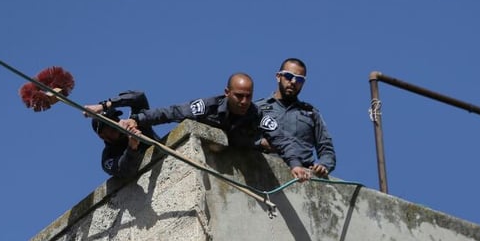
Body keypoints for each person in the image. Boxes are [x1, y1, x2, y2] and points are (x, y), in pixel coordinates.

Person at [124, 73, 274, 151]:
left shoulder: (255, 113)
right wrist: (138, 119)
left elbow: (282, 138)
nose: (244, 101)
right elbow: (173, 112)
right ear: (227, 92)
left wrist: (295, 163)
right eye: (239, 96)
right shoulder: (209, 106)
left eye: (248, 96)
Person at [256, 58, 336, 182]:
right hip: (265, 173)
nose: (293, 82)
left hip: (303, 179)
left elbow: (326, 148)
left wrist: (324, 165)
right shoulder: (258, 108)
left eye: (299, 79)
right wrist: (260, 142)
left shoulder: (310, 113)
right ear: (278, 76)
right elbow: (245, 137)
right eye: (288, 76)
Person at [82, 91, 161, 179]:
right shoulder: (108, 156)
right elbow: (123, 170)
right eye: (108, 124)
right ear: (102, 136)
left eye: (115, 118)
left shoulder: (134, 123)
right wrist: (132, 148)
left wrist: (106, 105)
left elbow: (139, 96)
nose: (115, 124)